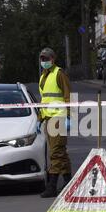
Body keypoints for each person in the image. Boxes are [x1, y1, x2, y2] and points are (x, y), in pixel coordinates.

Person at [37, 48, 72, 198]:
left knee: (55, 153)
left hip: (59, 118)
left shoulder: (59, 73)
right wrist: (40, 118)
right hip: (48, 118)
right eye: (42, 59)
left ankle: (52, 186)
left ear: (53, 58)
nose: (44, 61)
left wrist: (69, 116)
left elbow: (67, 96)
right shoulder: (43, 76)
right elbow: (44, 99)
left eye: (46, 58)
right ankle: (69, 182)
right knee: (61, 153)